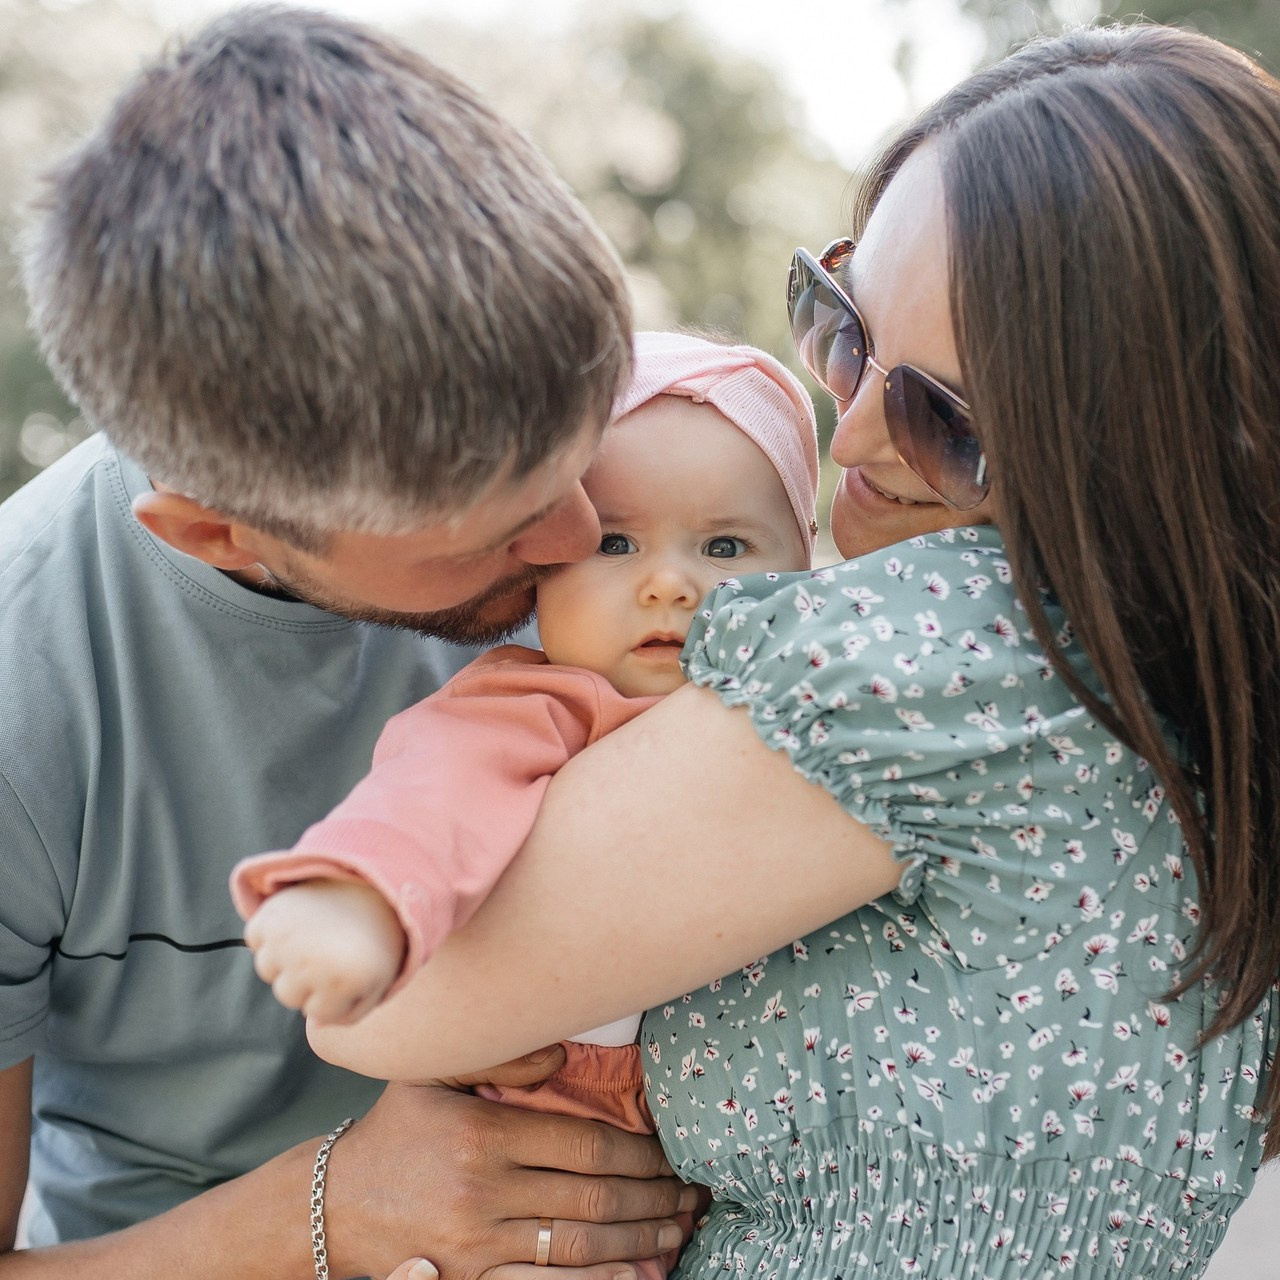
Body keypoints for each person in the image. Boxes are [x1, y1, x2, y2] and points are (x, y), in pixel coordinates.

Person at [307, 22, 1280, 1280]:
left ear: (1131, 444)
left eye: (945, 422)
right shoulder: (1203, 677)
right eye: (840, 328)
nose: (849, 434)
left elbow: (381, 998)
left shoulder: (939, 648)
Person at [0, 7, 696, 1277]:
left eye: (580, 449)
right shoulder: (21, 696)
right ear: (218, 534)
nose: (585, 537)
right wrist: (330, 1210)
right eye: (496, 530)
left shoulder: (627, 491)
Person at [230, 332, 819, 1280]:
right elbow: (431, 798)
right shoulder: (539, 704)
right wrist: (363, 899)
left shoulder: (814, 716)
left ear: (805, 568)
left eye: (725, 546)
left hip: (746, 1145)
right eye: (616, 542)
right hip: (554, 1106)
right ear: (542, 575)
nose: (669, 582)